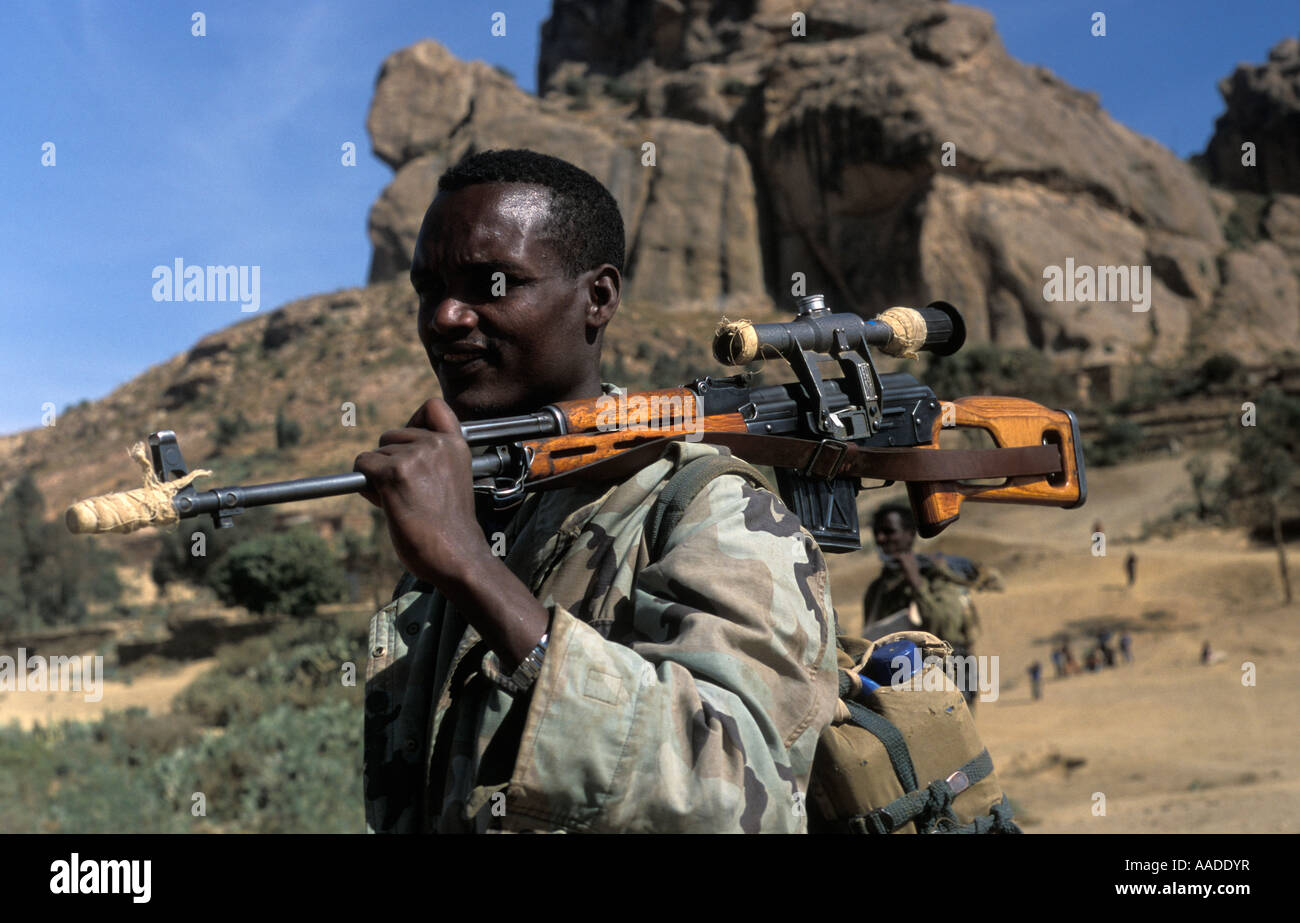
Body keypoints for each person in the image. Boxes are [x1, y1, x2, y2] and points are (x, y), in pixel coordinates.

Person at [356, 149, 838, 833]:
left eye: (491, 285)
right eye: (429, 288)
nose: (446, 317)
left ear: (599, 297)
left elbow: (740, 794)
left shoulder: (708, 506)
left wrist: (473, 570)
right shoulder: (478, 508)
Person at [862, 503, 985, 710]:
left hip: (944, 680)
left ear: (910, 534)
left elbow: (945, 628)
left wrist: (916, 583)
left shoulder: (938, 576)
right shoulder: (877, 589)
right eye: (877, 533)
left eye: (889, 532)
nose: (881, 539)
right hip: (897, 684)